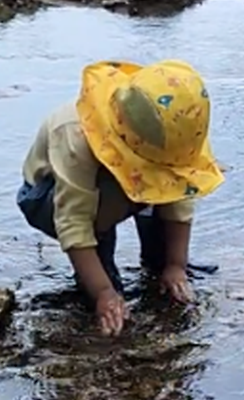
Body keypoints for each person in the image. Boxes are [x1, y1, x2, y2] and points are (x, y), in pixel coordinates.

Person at [17, 59, 223, 337]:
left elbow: (180, 191)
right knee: (102, 273)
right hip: (47, 197)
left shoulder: (179, 129)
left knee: (163, 184)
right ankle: (98, 273)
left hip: (111, 188)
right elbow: (72, 220)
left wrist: (176, 264)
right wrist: (103, 292)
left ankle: (159, 262)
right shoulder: (75, 134)